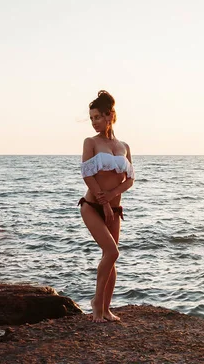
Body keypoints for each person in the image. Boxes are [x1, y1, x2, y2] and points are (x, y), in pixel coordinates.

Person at [78, 90, 135, 322]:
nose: (94, 123)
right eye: (91, 118)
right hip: (92, 206)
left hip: (115, 208)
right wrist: (103, 199)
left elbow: (130, 179)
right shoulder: (90, 142)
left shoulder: (124, 146)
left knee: (110, 258)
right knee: (112, 252)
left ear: (110, 115)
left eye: (98, 117)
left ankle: (106, 309)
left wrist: (112, 196)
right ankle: (96, 303)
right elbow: (86, 174)